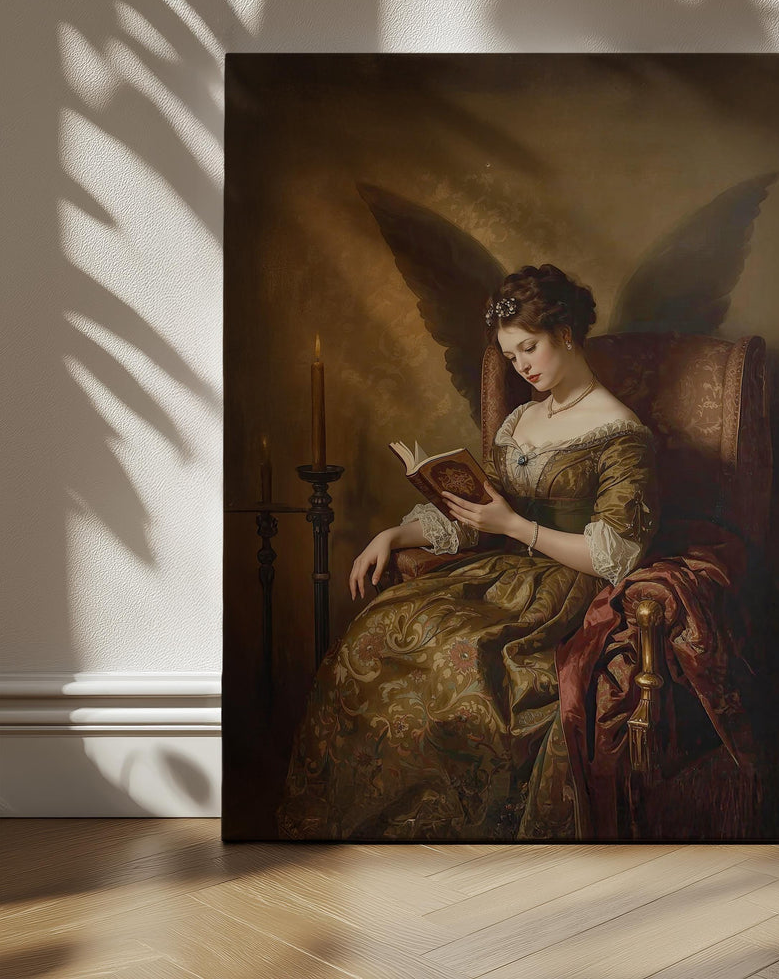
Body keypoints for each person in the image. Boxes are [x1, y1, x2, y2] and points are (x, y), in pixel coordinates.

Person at [278, 264, 659, 840]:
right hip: (500, 573)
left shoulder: (619, 431)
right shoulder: (520, 419)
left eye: (529, 348)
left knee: (468, 662)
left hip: (563, 588)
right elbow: (478, 511)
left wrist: (518, 526)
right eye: (511, 357)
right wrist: (395, 536)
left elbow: (614, 556)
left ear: (566, 334)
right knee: (379, 631)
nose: (523, 366)